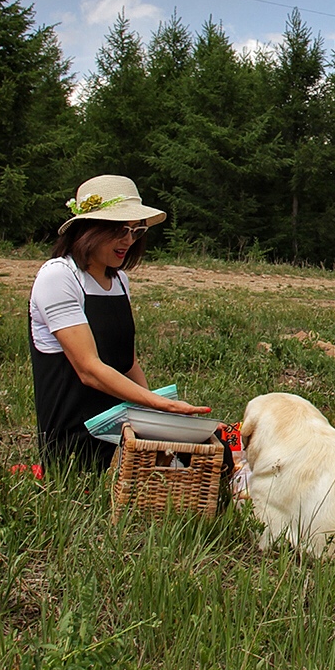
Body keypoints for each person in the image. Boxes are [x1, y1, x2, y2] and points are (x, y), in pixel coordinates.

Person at [29, 174, 210, 470]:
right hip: (76, 438)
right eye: (120, 230)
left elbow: (126, 362)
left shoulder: (119, 281)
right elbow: (89, 370)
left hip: (120, 426)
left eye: (136, 231)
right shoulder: (59, 277)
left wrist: (158, 418)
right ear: (89, 229)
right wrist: (158, 405)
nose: (128, 240)